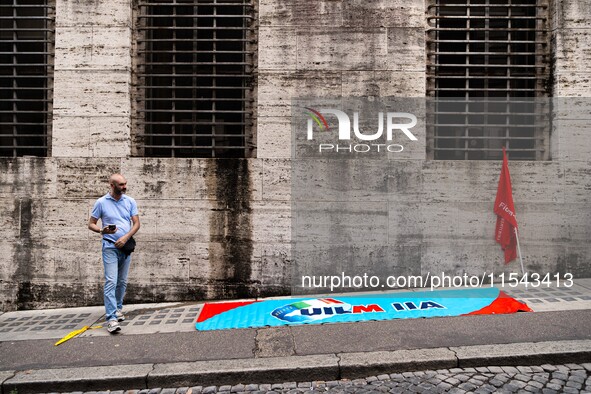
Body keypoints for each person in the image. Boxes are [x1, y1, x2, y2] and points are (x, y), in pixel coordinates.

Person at [88, 174, 140, 333]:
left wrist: (125, 237)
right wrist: (101, 230)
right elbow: (91, 224)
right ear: (112, 185)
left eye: (125, 184)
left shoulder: (129, 201)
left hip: (125, 247)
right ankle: (111, 318)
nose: (124, 187)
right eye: (121, 185)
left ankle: (117, 308)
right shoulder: (101, 202)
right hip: (110, 247)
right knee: (111, 280)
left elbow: (136, 223)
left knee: (122, 281)